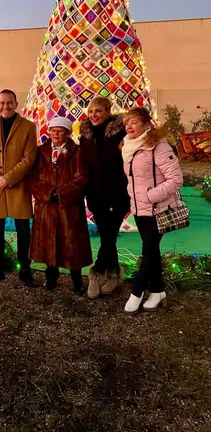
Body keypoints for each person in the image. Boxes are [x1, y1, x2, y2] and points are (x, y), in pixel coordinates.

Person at [122, 107, 183, 314]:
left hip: (158, 209)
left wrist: (150, 196)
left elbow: (176, 179)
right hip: (139, 210)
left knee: (148, 250)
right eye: (127, 123)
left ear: (146, 124)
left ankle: (137, 291)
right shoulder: (128, 147)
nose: (129, 126)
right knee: (151, 249)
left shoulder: (158, 147)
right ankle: (157, 290)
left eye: (134, 122)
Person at [0, 89, 37, 287]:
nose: (6, 106)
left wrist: (9, 178)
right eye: (2, 103)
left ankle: (25, 270)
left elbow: (29, 158)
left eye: (9, 102)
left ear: (16, 103)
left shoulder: (29, 127)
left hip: (18, 185)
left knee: (23, 231)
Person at [29, 117, 92, 293]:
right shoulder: (40, 152)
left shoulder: (77, 152)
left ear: (68, 132)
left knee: (72, 244)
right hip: (46, 208)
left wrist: (63, 193)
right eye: (53, 130)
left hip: (69, 207)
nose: (56, 133)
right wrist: (48, 193)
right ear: (48, 132)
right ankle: (51, 275)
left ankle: (76, 280)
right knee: (49, 241)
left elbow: (82, 178)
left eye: (60, 130)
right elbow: (32, 178)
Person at [79, 96, 130, 299]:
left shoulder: (121, 132)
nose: (94, 115)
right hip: (96, 194)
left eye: (98, 111)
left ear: (108, 111)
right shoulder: (85, 136)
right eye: (91, 111)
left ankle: (96, 273)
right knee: (106, 235)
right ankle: (114, 274)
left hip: (118, 193)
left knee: (109, 234)